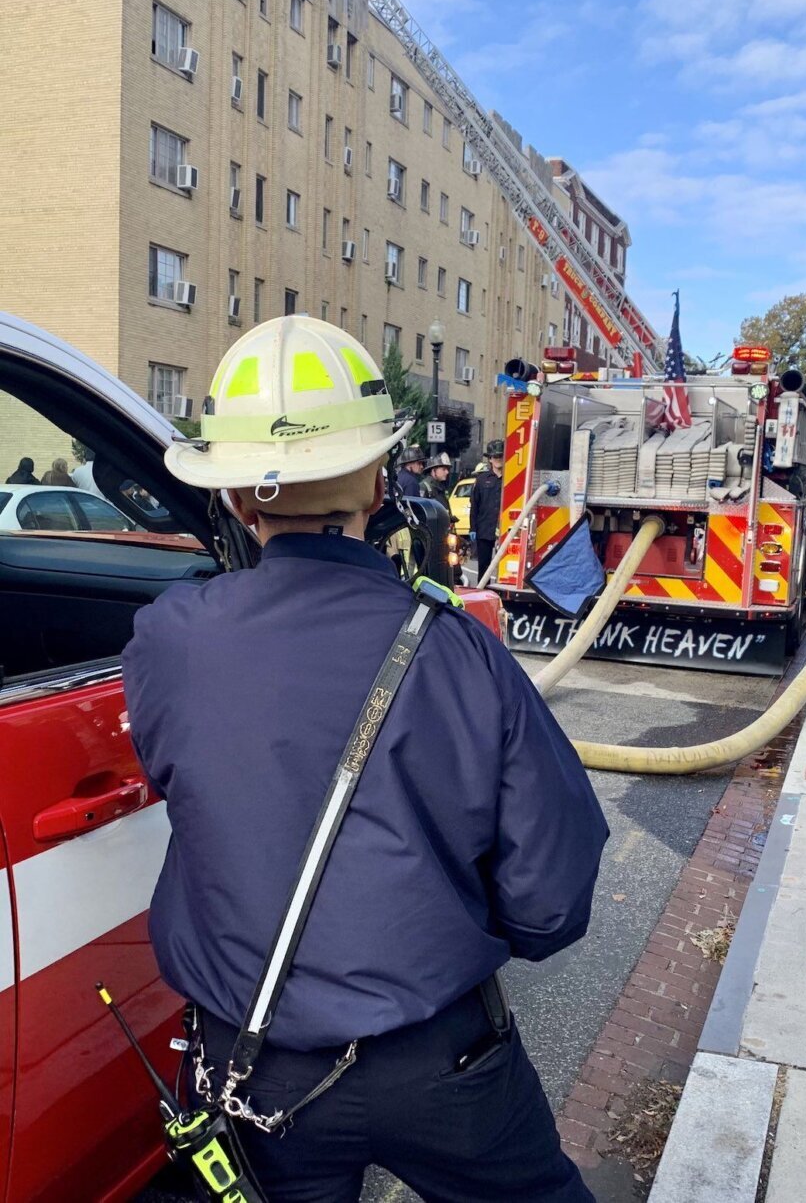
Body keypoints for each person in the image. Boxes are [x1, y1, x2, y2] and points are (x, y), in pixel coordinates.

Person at [122, 317, 607, 1203]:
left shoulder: (167, 640)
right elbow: (552, 896)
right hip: (444, 1059)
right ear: (382, 479)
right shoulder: (457, 648)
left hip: (253, 1064)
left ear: (235, 498)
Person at [470, 439, 504, 578]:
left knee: (505, 568)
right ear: (490, 459)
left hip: (505, 530)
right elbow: (475, 506)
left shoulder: (511, 478)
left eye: (500, 456)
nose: (498, 459)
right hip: (484, 529)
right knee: (484, 568)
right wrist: (472, 529)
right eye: (495, 457)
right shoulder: (482, 480)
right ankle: (482, 593)